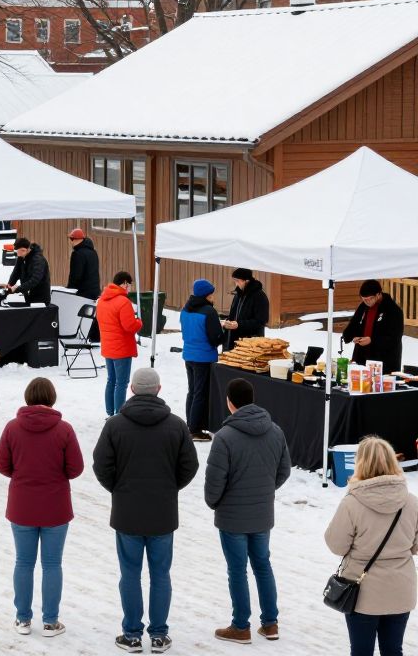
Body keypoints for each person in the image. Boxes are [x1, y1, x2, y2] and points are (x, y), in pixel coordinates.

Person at [92, 367, 199, 654]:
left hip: (127, 512)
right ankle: (160, 634)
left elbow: (101, 465)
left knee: (130, 574)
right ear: (159, 389)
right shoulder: (176, 425)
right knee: (161, 574)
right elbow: (190, 466)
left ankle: (132, 634)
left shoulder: (115, 425)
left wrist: (119, 488)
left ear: (131, 390)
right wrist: (170, 487)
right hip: (163, 513)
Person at [0, 378, 83, 638]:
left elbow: (2, 464)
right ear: (52, 397)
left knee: (23, 562)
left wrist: (21, 475)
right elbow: (75, 468)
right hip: (55, 507)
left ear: (27, 397)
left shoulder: (12, 428)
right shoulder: (64, 430)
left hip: (22, 506)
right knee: (52, 564)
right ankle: (50, 621)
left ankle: (23, 619)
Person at [204, 378, 290, 643]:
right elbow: (284, 470)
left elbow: (214, 482)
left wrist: (216, 502)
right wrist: (265, 491)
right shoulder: (274, 431)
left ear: (230, 402)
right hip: (262, 514)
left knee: (238, 570)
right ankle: (271, 623)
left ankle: (241, 626)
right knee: (263, 565)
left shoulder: (225, 437)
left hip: (232, 517)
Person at [325, 435, 418, 656]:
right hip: (400, 589)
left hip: (362, 591)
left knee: (361, 651)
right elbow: (415, 547)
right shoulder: (411, 501)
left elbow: (336, 545)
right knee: (393, 649)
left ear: (361, 463)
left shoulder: (352, 503)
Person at [180, 278, 223, 442]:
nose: (213, 296)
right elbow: (215, 338)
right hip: (204, 357)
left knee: (192, 391)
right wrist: (222, 333)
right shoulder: (209, 312)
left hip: (189, 355)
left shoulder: (186, 309)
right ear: (207, 294)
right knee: (200, 393)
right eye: (212, 293)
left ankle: (190, 423)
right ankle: (195, 429)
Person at [97, 271, 143, 417]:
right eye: (129, 285)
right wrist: (139, 322)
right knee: (121, 383)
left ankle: (110, 413)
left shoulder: (102, 300)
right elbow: (129, 326)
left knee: (111, 381)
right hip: (122, 348)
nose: (129, 288)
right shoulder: (123, 302)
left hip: (108, 346)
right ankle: (119, 415)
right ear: (124, 283)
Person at [342, 279, 405, 374]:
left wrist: (372, 340)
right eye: (364, 299)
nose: (366, 302)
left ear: (378, 294)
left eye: (369, 299)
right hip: (363, 358)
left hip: (384, 361)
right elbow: (354, 324)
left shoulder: (393, 310)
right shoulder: (363, 307)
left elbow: (394, 338)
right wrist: (353, 336)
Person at [6, 238, 51, 305]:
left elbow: (34, 280)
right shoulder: (22, 257)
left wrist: (17, 288)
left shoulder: (38, 260)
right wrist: (9, 285)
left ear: (24, 250)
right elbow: (16, 273)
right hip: (28, 296)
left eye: (19, 252)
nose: (18, 255)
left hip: (40, 298)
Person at [66, 228, 101, 297]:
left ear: (78, 239)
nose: (71, 242)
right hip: (95, 291)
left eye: (72, 239)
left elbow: (75, 275)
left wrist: (69, 290)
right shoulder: (93, 252)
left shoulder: (77, 254)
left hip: (83, 293)